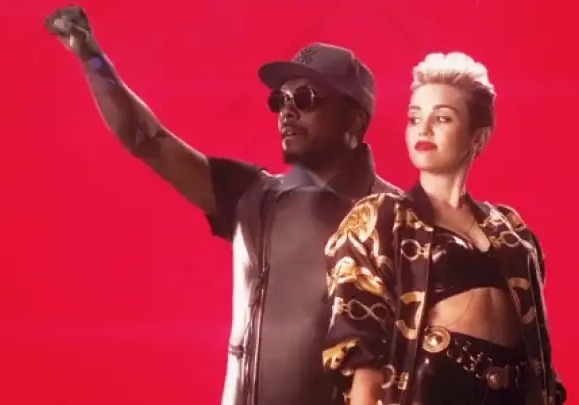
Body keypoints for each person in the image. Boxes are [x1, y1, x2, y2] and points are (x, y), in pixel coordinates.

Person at [44, 6, 401, 405]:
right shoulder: (251, 195)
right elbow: (145, 138)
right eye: (280, 99)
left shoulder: (397, 219)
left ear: (354, 122)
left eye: (305, 98)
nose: (287, 110)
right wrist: (91, 58)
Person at [322, 52, 567, 405]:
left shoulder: (512, 230)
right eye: (414, 118)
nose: (423, 129)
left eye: (442, 118)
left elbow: (539, 349)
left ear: (478, 138)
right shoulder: (381, 218)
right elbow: (360, 346)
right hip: (427, 391)